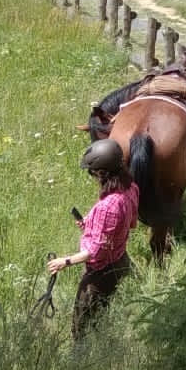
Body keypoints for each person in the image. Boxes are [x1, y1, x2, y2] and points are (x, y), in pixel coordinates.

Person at [48, 140, 139, 338]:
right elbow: (131, 223)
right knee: (103, 313)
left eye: (92, 172)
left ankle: (83, 353)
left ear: (102, 173)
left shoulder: (108, 206)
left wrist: (65, 261)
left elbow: (95, 252)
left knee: (80, 327)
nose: (93, 177)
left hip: (100, 273)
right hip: (121, 259)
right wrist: (91, 225)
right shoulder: (131, 188)